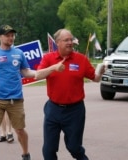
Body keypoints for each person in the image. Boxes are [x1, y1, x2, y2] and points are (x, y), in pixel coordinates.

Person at [35, 28, 105, 160]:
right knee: (48, 150)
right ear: (58, 43)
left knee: (74, 147)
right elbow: (37, 75)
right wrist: (53, 68)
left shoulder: (81, 59)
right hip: (53, 109)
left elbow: (95, 78)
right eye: (66, 40)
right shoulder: (49, 58)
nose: (70, 42)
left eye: (71, 39)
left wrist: (100, 73)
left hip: (75, 111)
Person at [0, 24, 36, 160]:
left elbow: (26, 71)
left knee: (20, 130)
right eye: (7, 35)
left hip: (16, 98)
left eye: (12, 35)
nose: (11, 38)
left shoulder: (19, 53)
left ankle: (26, 154)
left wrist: (38, 73)